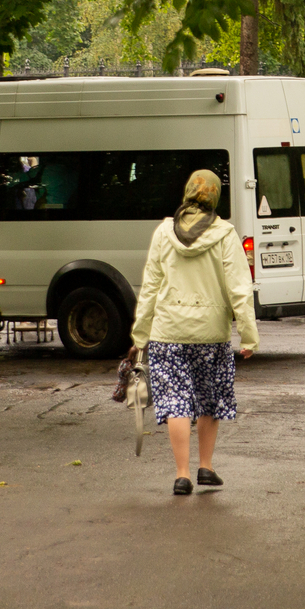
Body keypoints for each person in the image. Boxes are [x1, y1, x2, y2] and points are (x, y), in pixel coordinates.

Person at [130, 170, 258, 495]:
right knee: (208, 400)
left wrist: (139, 336)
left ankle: (182, 474)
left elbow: (149, 288)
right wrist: (248, 335)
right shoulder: (226, 234)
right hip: (210, 335)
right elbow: (240, 289)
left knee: (175, 402)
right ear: (215, 196)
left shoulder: (163, 233)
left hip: (167, 333)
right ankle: (206, 466)